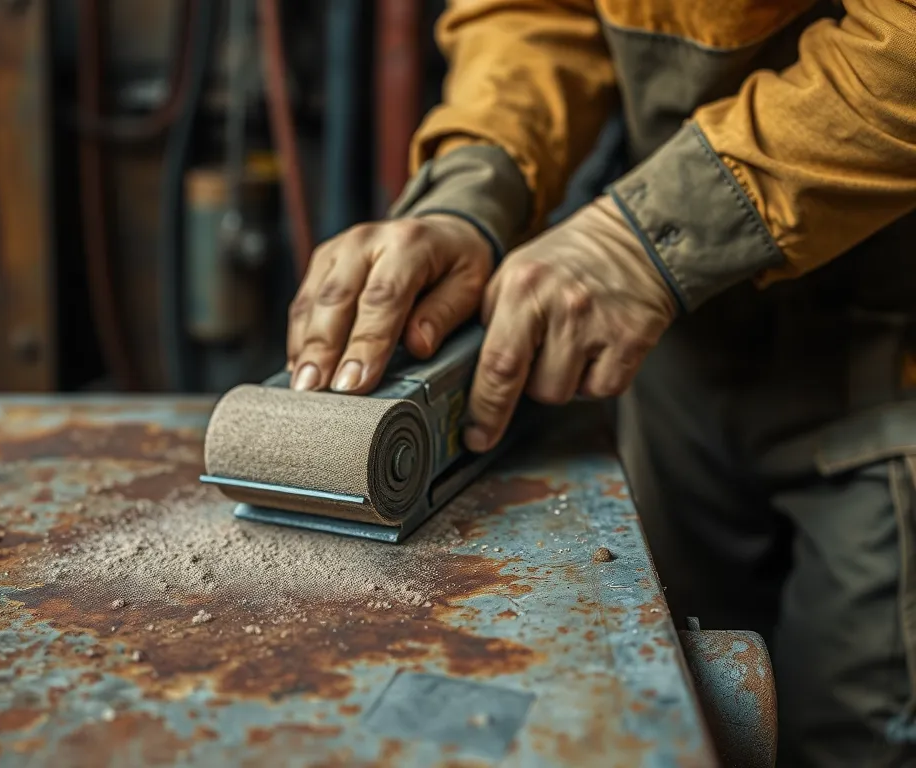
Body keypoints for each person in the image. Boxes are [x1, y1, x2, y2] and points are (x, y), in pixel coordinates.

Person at [284, 1, 916, 764]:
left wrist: (651, 235)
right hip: (673, 348)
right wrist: (471, 190)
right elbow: (531, 13)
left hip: (882, 366)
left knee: (852, 734)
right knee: (684, 701)